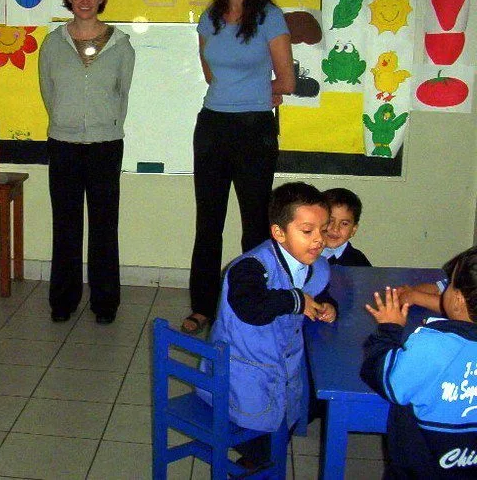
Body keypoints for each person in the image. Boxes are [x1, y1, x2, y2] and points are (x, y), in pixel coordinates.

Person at [182, 0, 296, 335]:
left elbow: (287, 80)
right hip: (212, 126)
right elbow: (210, 75)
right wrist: (243, 91)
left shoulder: (270, 17)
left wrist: (257, 95)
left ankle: (253, 310)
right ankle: (202, 308)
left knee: (255, 226)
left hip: (253, 131)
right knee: (208, 224)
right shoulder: (209, 19)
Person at [199, 182, 336, 466]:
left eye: (323, 230)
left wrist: (328, 305)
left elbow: (320, 290)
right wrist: (295, 300)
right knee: (260, 443)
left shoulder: (315, 264)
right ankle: (251, 464)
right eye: (307, 231)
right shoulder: (250, 268)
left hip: (281, 369)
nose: (318, 240)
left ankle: (261, 460)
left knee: (296, 413)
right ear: (279, 233)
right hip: (240, 375)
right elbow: (251, 308)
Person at [38, 0, 135, 325]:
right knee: (65, 226)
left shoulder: (121, 45)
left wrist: (102, 123)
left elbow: (121, 93)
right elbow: (48, 92)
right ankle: (63, 300)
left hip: (105, 144)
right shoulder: (53, 43)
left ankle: (105, 303)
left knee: (104, 227)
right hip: (63, 143)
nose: (85, 0)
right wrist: (67, 121)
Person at [361, 246, 477, 478]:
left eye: (450, 284)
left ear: (457, 300)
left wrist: (389, 329)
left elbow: (382, 375)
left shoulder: (431, 345)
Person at [321, 187, 371, 267]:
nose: (335, 229)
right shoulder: (303, 255)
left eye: (344, 223)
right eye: (330, 221)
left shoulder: (359, 262)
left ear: (353, 230)